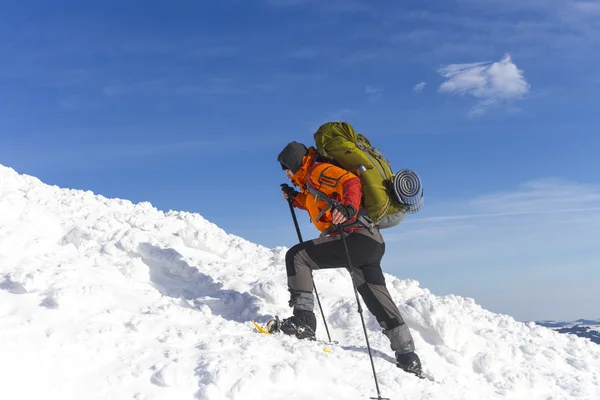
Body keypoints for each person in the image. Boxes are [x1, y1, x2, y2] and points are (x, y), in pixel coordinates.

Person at [270, 140, 423, 377]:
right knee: (377, 299)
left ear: (294, 162)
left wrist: (349, 208)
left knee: (297, 256)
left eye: (287, 169)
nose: (288, 175)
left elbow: (350, 183)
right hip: (370, 242)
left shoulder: (318, 171)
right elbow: (319, 204)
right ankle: (408, 356)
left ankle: (303, 323)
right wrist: (295, 198)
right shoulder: (311, 182)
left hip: (354, 238)